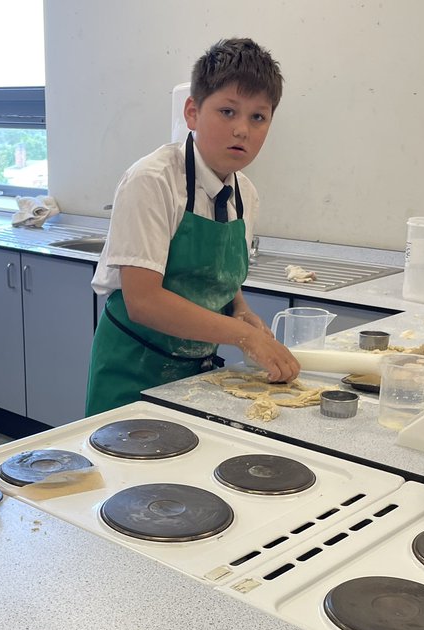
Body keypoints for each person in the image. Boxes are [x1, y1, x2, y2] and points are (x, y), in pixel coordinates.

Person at [85, 37, 300, 416]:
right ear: (192, 112)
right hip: (132, 372)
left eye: (258, 117)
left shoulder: (244, 193)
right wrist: (244, 337)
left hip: (196, 378)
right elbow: (144, 302)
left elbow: (217, 276)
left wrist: (240, 309)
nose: (242, 131)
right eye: (228, 112)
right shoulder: (152, 181)